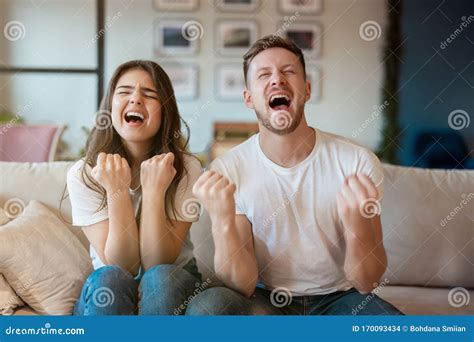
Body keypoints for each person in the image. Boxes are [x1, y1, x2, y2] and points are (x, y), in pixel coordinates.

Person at [187, 36, 402, 315]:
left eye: (288, 71)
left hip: (340, 299)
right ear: (249, 98)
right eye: (264, 74)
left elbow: (366, 281)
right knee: (207, 308)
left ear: (307, 89)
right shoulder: (229, 169)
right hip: (265, 300)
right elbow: (243, 285)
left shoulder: (356, 162)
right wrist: (222, 220)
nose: (277, 79)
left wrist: (358, 223)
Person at [67, 60, 202, 315]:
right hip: (110, 287)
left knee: (160, 279)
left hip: (173, 281)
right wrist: (116, 190)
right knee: (111, 278)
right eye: (124, 92)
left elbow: (156, 263)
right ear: (110, 107)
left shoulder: (186, 168)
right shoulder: (83, 174)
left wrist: (153, 191)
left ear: (165, 111)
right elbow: (123, 265)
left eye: (149, 94)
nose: (136, 100)